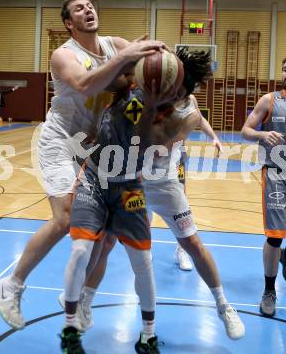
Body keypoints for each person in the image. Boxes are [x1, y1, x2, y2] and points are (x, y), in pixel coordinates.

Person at [0, 0, 166, 330]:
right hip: (60, 141)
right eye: (78, 9)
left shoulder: (115, 44)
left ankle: (80, 296)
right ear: (69, 23)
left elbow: (140, 72)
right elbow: (86, 84)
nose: (87, 10)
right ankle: (10, 286)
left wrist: (161, 61)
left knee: (106, 232)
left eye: (89, 5)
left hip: (94, 147)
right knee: (65, 218)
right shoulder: (64, 54)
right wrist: (127, 57)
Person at [67, 49, 245, 342]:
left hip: (162, 182)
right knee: (107, 242)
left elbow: (153, 142)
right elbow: (109, 96)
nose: (171, 93)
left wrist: (146, 106)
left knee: (192, 243)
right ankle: (85, 300)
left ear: (184, 89)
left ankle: (224, 306)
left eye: (176, 90)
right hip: (127, 180)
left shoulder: (189, 114)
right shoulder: (142, 89)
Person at [61, 72, 177, 354]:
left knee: (143, 261)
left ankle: (148, 334)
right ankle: (69, 331)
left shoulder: (154, 105)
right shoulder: (119, 95)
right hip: (94, 179)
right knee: (81, 250)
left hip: (129, 185)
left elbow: (159, 141)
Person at [241, 57, 286, 317]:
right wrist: (261, 134)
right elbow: (245, 130)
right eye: (284, 68)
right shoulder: (269, 100)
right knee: (275, 236)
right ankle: (269, 290)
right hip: (276, 173)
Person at [174, 98, 223, 271]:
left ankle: (182, 249)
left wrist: (213, 137)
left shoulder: (189, 98)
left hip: (176, 156)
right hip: (151, 155)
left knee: (180, 204)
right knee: (144, 204)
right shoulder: (153, 91)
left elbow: (200, 119)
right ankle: (145, 246)